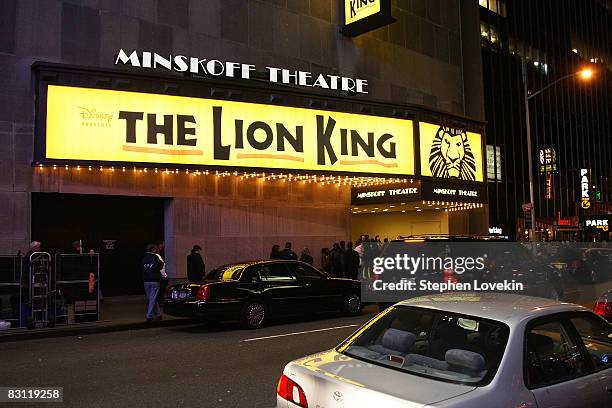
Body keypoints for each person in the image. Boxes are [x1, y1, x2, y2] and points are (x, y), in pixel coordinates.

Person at [142, 244, 164, 322]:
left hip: (146, 280)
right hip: (155, 280)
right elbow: (161, 265)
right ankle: (149, 315)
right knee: (153, 298)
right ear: (153, 250)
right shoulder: (155, 257)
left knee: (151, 298)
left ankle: (159, 314)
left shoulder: (144, 258)